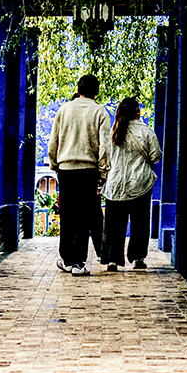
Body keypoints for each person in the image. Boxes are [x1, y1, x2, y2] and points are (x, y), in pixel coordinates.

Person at [45, 73, 111, 275]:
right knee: (83, 216)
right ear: (96, 91)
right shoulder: (100, 112)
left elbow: (53, 141)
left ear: (78, 89)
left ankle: (66, 259)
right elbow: (105, 147)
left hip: (65, 169)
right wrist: (103, 172)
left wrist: (55, 164)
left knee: (67, 215)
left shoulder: (64, 110)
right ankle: (78, 263)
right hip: (88, 170)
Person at [100, 96, 162, 272]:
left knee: (113, 223)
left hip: (115, 184)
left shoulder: (114, 131)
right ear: (137, 111)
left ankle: (113, 259)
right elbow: (156, 155)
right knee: (140, 222)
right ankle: (137, 258)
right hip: (140, 183)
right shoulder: (146, 130)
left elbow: (105, 156)